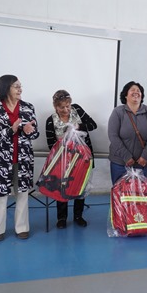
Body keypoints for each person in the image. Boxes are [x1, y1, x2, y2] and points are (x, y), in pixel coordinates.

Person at [0, 75, 39, 242]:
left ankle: (22, 228)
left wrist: (30, 130)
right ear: (6, 88)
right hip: (0, 161)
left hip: (23, 160)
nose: (20, 89)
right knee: (0, 195)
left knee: (22, 193)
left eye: (20, 86)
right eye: (16, 86)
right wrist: (10, 130)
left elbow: (35, 133)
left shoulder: (28, 108)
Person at [45, 90, 97, 229]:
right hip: (62, 160)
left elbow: (93, 125)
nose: (66, 109)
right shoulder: (51, 120)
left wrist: (79, 126)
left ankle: (78, 216)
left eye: (68, 106)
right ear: (55, 106)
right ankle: (61, 218)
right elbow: (51, 144)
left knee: (81, 187)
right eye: (62, 107)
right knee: (61, 187)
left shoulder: (77, 110)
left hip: (83, 159)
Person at [108, 81, 147, 184]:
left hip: (141, 163)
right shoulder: (118, 112)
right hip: (120, 163)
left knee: (139, 196)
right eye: (132, 90)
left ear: (141, 95)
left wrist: (145, 156)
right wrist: (126, 156)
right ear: (126, 95)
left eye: (138, 91)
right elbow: (113, 136)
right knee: (120, 195)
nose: (136, 92)